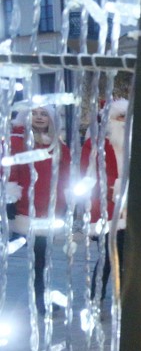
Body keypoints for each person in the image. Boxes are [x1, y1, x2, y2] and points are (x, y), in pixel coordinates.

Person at [8, 105, 71, 316]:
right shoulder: (17, 141)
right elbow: (9, 172)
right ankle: (38, 300)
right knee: (33, 257)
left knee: (43, 258)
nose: (39, 117)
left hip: (49, 210)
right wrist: (10, 203)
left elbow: (65, 176)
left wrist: (65, 205)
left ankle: (40, 297)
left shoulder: (57, 145)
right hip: (24, 209)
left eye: (44, 114)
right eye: (34, 113)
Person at [80, 98, 129, 305]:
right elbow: (87, 177)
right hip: (106, 209)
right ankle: (96, 297)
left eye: (127, 117)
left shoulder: (135, 143)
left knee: (129, 258)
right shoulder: (95, 144)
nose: (124, 121)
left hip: (131, 210)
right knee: (108, 258)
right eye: (120, 117)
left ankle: (125, 299)